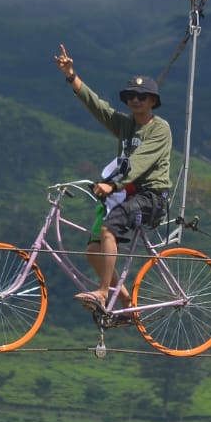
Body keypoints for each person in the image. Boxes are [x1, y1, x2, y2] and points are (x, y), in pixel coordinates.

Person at [54, 44, 172, 313]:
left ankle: (103, 292)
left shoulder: (160, 129)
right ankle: (126, 301)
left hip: (151, 197)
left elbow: (142, 162)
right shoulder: (126, 125)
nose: (135, 100)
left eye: (142, 96)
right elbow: (99, 108)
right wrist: (72, 76)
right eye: (131, 96)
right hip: (127, 192)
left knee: (109, 229)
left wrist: (113, 184)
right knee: (94, 250)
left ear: (153, 101)